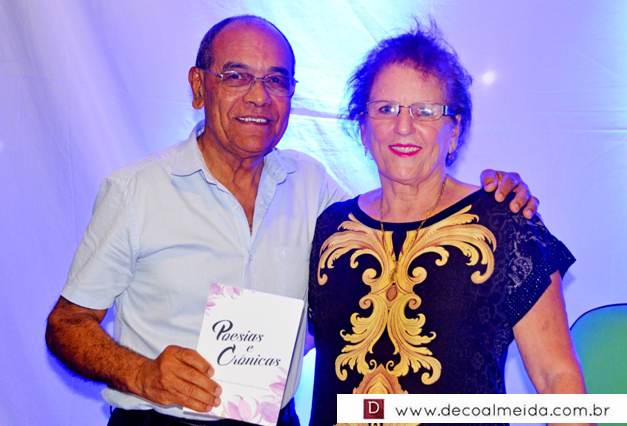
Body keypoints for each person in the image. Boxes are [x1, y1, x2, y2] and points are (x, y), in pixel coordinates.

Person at [45, 15, 539, 426]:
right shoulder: (136, 191)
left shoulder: (312, 185)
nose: (259, 96)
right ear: (198, 86)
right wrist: (142, 373)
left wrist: (492, 199)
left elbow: (401, 219)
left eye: (276, 81)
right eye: (236, 76)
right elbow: (66, 325)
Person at [307, 22, 586, 426]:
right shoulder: (331, 229)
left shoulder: (505, 224)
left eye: (425, 111)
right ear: (364, 128)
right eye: (386, 109)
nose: (404, 126)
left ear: (454, 131)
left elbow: (557, 379)